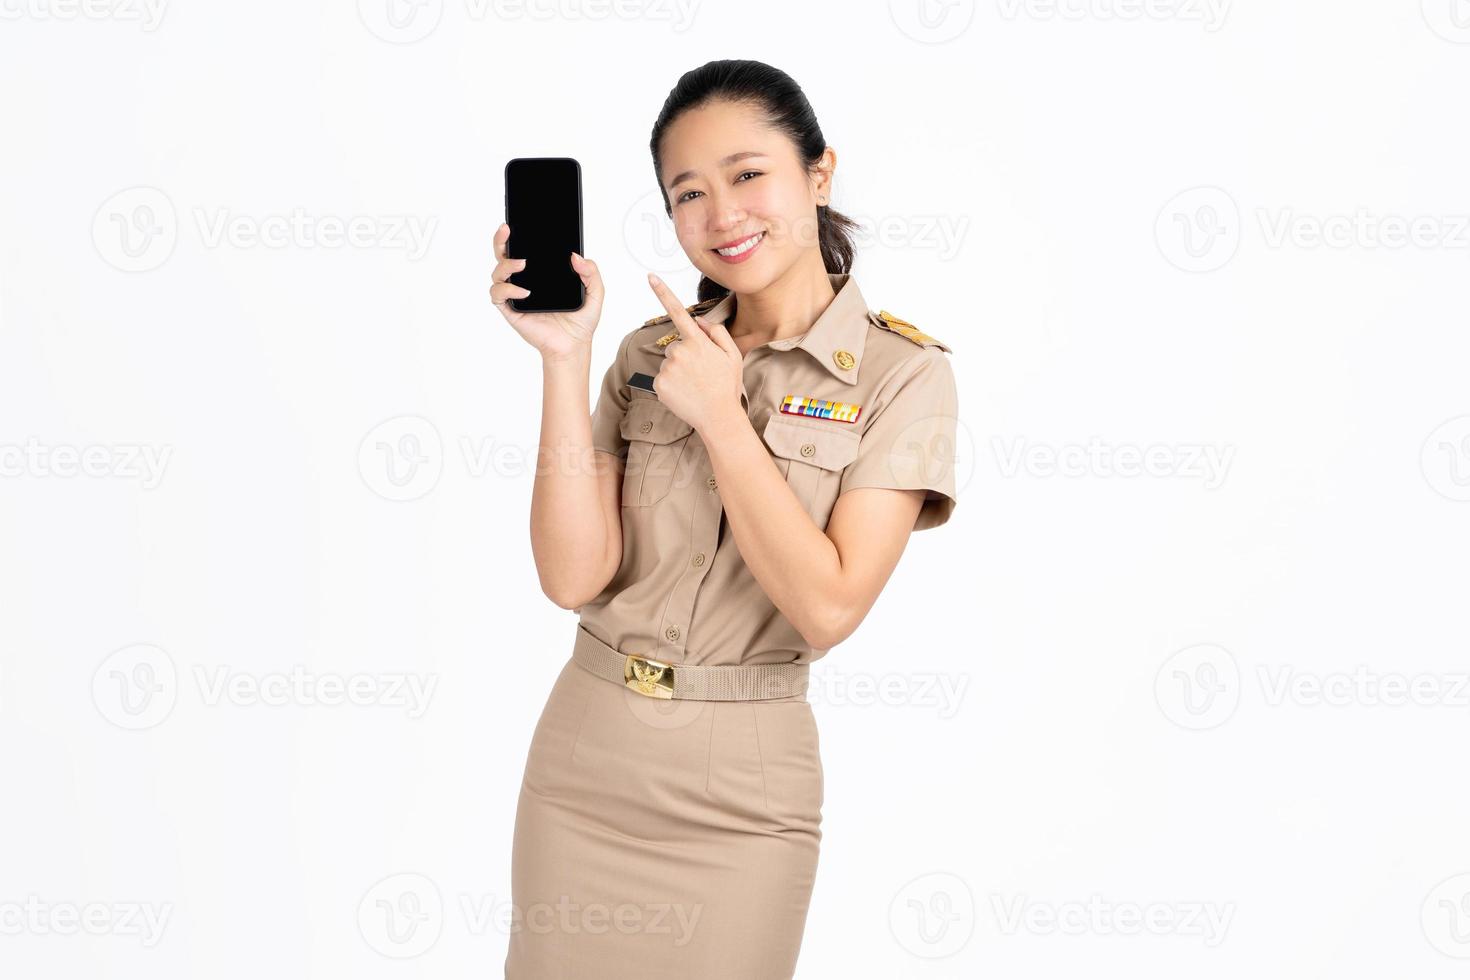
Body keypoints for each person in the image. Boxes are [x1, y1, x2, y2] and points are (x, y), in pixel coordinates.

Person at [491, 59, 959, 979]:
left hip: (745, 790)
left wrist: (720, 414)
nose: (721, 216)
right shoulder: (646, 353)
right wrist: (563, 357)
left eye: (749, 175)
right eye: (687, 193)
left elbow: (827, 609)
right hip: (585, 758)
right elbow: (571, 579)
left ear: (818, 175)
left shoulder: (906, 376)